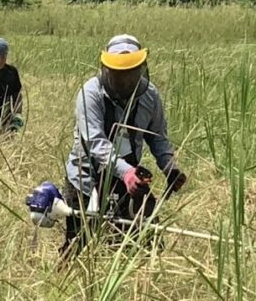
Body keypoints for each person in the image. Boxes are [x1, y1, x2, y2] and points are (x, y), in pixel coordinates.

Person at [60, 34, 187, 257]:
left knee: (147, 242)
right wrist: (125, 172)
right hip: (86, 177)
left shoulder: (150, 95)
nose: (126, 81)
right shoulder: (90, 94)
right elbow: (95, 142)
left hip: (130, 181)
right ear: (107, 70)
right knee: (80, 246)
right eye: (119, 74)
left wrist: (169, 166)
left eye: (131, 73)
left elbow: (157, 137)